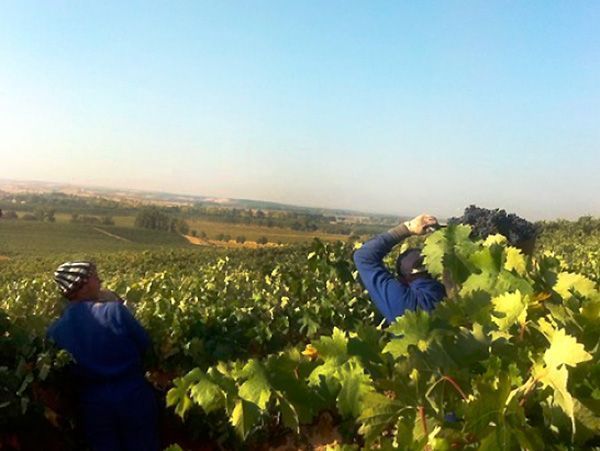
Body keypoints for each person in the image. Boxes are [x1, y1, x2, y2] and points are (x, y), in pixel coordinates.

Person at [48, 261, 159, 451]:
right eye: (94, 277)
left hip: (93, 406)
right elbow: (145, 344)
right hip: (133, 396)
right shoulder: (115, 311)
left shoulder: (55, 331)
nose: (100, 281)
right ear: (81, 285)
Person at [353, 214, 446, 324]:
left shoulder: (404, 302)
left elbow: (363, 257)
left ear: (403, 280)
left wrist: (408, 228)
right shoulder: (456, 292)